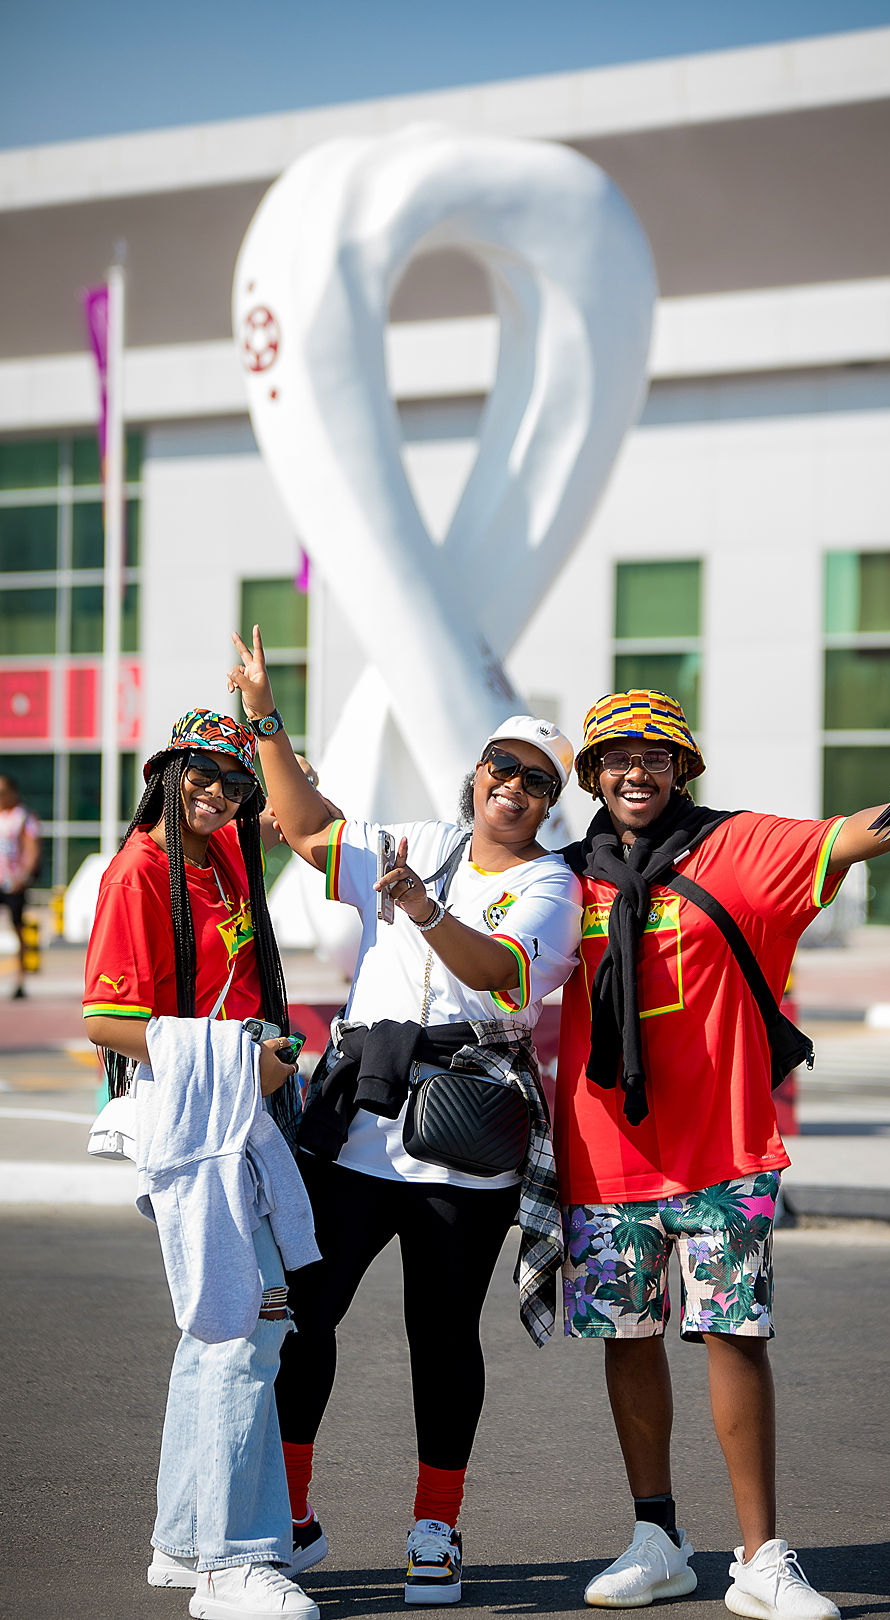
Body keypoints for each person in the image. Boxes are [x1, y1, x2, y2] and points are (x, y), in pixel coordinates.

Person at [553, 689, 890, 1620]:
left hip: (723, 1147)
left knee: (733, 1336)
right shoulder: (558, 880)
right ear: (591, 775)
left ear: (683, 769)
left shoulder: (739, 846)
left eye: (656, 756)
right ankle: (656, 1538)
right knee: (626, 1343)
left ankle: (761, 1557)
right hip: (604, 1150)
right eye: (617, 757)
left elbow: (855, 835)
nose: (637, 771)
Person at [227, 625, 582, 1606]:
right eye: (503, 768)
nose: (514, 789)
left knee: (441, 1332)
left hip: (465, 1137)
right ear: (476, 774)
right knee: (305, 1315)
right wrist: (266, 717)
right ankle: (291, 1519)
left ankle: (437, 1530)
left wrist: (424, 911)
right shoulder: (421, 842)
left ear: (552, 804)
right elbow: (305, 830)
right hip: (358, 1122)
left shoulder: (554, 885)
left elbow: (502, 977)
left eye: (537, 782)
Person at [83, 709, 322, 1620]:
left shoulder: (220, 850)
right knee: (242, 1329)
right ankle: (232, 1562)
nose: (217, 793)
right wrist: (237, 1061)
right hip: (200, 1116)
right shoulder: (138, 872)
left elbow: (299, 811)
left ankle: (185, 1541)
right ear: (167, 770)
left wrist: (264, 720)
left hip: (241, 1109)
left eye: (232, 780)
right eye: (201, 774)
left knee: (219, 1332)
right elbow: (103, 1020)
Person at [0, 773, 42, 999]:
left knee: (18, 931)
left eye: (0, 792)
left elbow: (32, 848)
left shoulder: (23, 817)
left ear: (12, 792)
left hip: (13, 884)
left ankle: (20, 983)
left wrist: (23, 878)